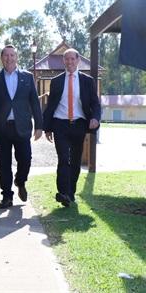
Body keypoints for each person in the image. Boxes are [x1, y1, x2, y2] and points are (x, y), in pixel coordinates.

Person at [0, 45, 43, 209]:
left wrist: (39, 126)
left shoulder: (27, 77)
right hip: (2, 127)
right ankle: (7, 195)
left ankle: (20, 181)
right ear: (1, 58)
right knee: (4, 164)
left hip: (22, 126)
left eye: (12, 55)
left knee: (26, 160)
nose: (9, 58)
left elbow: (35, 102)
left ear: (17, 57)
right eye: (6, 55)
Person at [42, 48, 101, 207]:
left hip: (79, 125)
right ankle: (62, 192)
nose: (69, 62)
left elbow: (95, 103)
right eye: (66, 59)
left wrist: (95, 118)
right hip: (60, 124)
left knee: (75, 161)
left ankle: (71, 193)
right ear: (63, 61)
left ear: (78, 60)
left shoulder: (87, 81)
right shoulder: (56, 81)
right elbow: (50, 106)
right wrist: (47, 128)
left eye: (72, 59)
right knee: (63, 159)